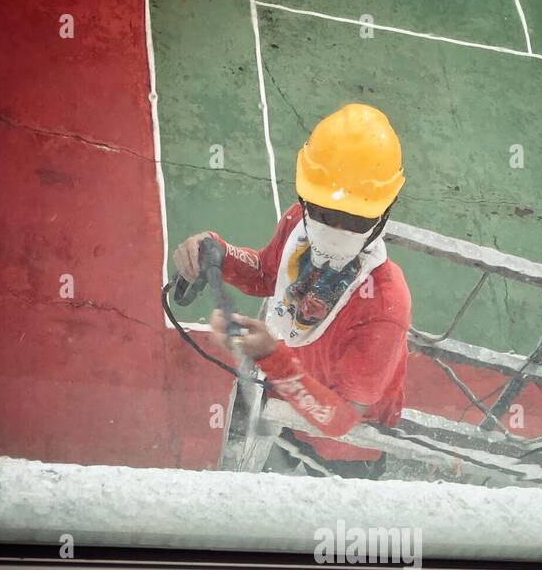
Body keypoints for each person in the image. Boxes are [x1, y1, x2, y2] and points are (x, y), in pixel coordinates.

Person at [173, 103, 410, 477]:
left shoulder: (384, 305)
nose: (334, 231)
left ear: (385, 212)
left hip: (345, 452)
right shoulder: (297, 225)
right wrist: (220, 253)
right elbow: (269, 275)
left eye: (354, 219)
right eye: (323, 213)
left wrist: (272, 358)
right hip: (287, 410)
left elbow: (340, 420)